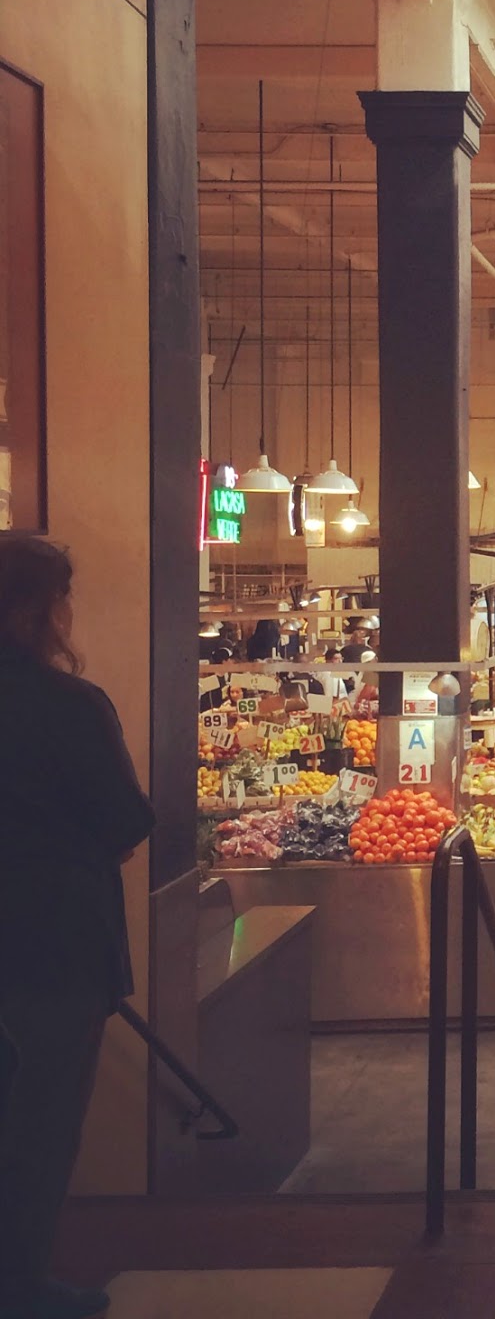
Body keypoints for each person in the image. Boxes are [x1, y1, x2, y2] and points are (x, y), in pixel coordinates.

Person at [0, 538, 154, 1319]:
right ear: (40, 611)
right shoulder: (69, 706)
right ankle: (19, 1284)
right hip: (56, 942)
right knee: (39, 1125)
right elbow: (125, 823)